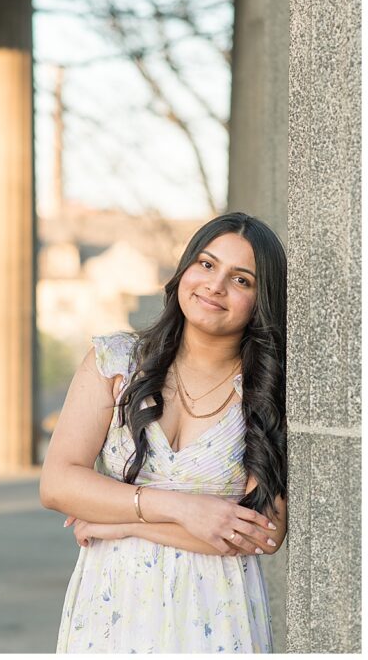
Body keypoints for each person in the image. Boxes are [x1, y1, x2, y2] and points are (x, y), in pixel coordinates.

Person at [40, 212, 288, 653]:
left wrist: (116, 524)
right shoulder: (114, 363)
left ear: (261, 299)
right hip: (111, 606)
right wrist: (183, 510)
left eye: (242, 280)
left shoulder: (266, 391)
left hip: (217, 610)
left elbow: (264, 534)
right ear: (185, 270)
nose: (215, 285)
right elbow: (58, 483)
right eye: (207, 265)